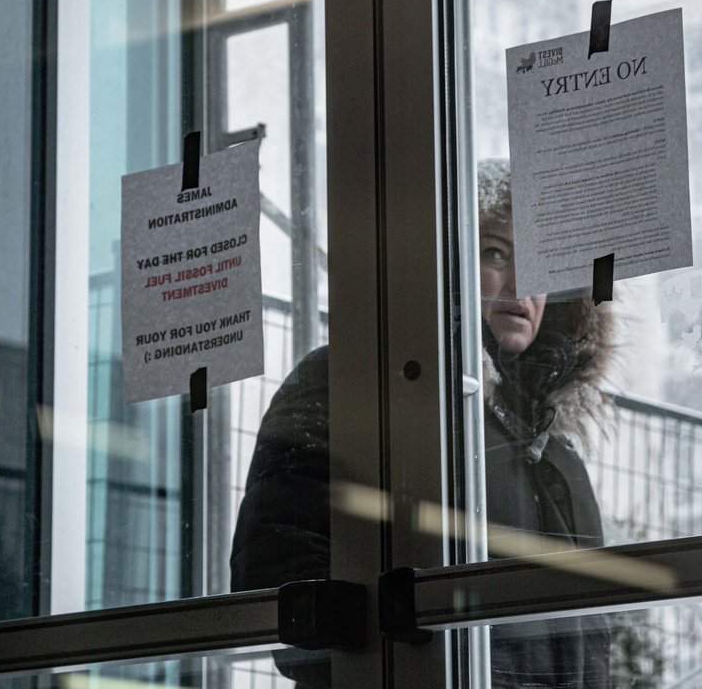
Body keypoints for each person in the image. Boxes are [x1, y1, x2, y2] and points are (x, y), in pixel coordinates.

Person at [231, 159, 615, 687]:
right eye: (495, 252)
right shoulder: (351, 378)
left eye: (542, 263)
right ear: (445, 256)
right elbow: (282, 577)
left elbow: (590, 634)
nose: (523, 282)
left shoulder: (558, 453)